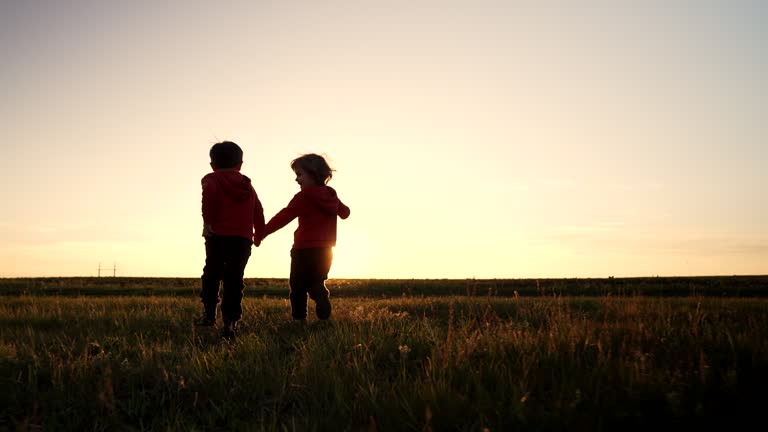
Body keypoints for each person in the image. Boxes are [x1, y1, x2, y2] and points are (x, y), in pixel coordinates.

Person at [261, 153, 350, 322]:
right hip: (326, 251)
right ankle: (320, 294)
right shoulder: (331, 195)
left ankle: (299, 319)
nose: (297, 180)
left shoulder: (303, 197)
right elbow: (345, 213)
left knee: (298, 285)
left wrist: (263, 232)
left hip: (303, 250)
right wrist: (339, 207)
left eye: (299, 175)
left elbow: (283, 217)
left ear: (314, 174)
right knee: (317, 280)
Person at [196, 141, 264, 338]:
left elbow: (209, 199)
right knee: (234, 279)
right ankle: (230, 323)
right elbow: (257, 211)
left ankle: (209, 314)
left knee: (212, 274)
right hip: (243, 240)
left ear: (212, 165)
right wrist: (258, 233)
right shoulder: (248, 187)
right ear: (240, 164)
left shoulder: (211, 179)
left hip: (217, 236)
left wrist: (207, 222)